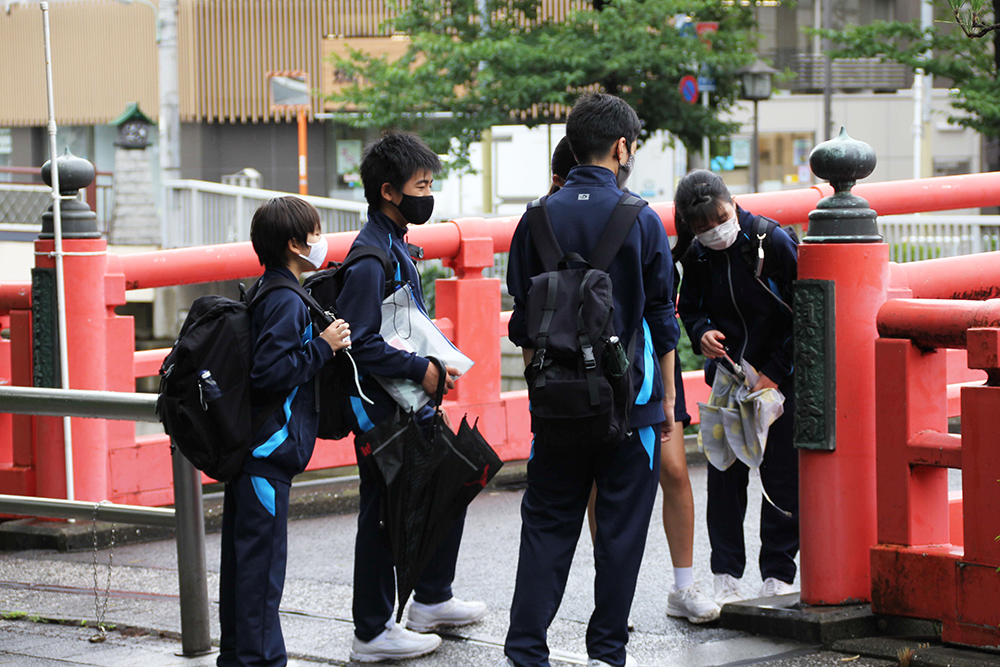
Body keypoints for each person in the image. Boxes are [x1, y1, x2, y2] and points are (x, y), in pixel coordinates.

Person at [503, 93, 679, 667]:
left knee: (547, 526)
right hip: (632, 405)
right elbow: (661, 320)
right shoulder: (641, 218)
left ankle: (526, 652)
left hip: (555, 404)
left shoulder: (535, 219)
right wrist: (669, 402)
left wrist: (544, 387)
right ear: (622, 147)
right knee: (622, 532)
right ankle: (606, 653)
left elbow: (523, 321)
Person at [551, 136, 720, 626]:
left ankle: (683, 587)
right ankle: (614, 599)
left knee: (672, 468)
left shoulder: (633, 213)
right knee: (600, 481)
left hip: (644, 360)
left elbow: (661, 300)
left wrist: (668, 389)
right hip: (587, 366)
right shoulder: (552, 216)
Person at [335, 131, 487, 663]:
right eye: (421, 185)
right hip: (382, 413)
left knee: (452, 481)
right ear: (388, 191)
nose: (429, 194)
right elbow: (359, 340)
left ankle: (431, 598)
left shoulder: (395, 242)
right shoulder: (370, 256)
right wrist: (419, 368)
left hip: (408, 403)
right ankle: (371, 632)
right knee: (383, 515)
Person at [218, 196, 352, 667]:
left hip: (250, 450)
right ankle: (262, 660)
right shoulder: (285, 301)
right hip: (267, 453)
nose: (320, 242)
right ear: (295, 244)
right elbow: (269, 373)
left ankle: (237, 657)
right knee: (261, 570)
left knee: (242, 566)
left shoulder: (265, 289)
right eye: (315, 234)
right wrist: (323, 346)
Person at [674, 169, 799, 605]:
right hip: (729, 380)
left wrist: (776, 372)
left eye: (720, 218)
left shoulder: (773, 242)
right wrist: (701, 332)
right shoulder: (697, 254)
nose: (714, 231)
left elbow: (808, 314)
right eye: (702, 227)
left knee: (781, 478)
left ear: (733, 204)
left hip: (779, 380)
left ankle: (778, 573)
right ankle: (726, 573)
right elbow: (688, 309)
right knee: (724, 477)